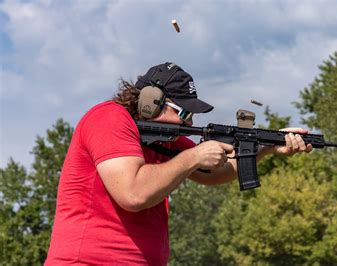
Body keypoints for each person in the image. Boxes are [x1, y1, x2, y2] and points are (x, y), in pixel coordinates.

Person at [45, 62, 313, 265]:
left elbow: (213, 173)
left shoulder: (164, 139)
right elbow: (133, 193)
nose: (188, 125)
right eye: (183, 113)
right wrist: (195, 155)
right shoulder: (109, 119)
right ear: (151, 102)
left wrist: (267, 146)